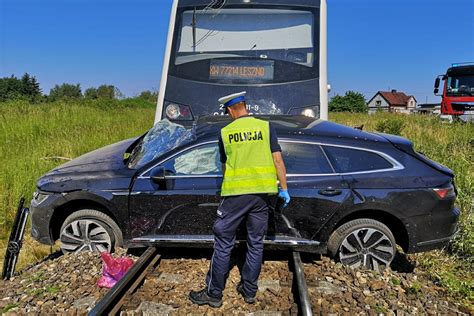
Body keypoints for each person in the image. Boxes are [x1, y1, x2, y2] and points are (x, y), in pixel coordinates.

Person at [189, 91, 291, 308]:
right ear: (246, 106)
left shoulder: (226, 132)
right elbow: (277, 160)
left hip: (235, 196)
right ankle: (249, 291)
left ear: (229, 110)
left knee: (223, 242)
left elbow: (225, 166)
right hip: (262, 196)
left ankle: (214, 294)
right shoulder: (265, 127)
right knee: (255, 244)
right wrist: (283, 189)